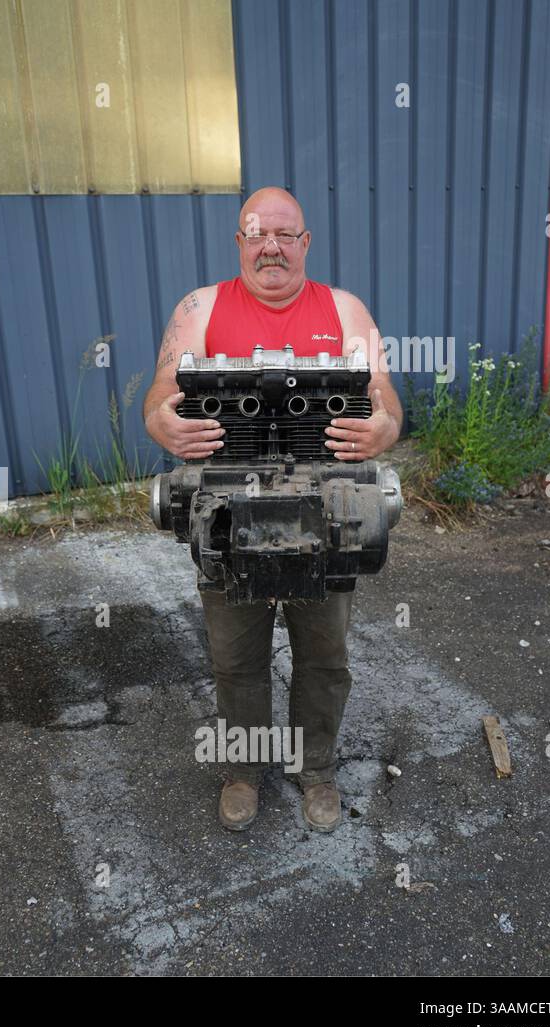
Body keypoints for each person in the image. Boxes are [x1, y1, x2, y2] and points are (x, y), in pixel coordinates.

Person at [142, 186, 402, 834]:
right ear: (240, 242)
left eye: (286, 234)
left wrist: (384, 430)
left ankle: (316, 770)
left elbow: (388, 406)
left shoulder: (346, 311)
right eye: (258, 233)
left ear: (305, 242)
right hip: (228, 524)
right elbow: (157, 400)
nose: (272, 246)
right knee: (236, 660)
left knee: (324, 658)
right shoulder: (198, 311)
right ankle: (244, 770)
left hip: (330, 522)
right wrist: (162, 426)